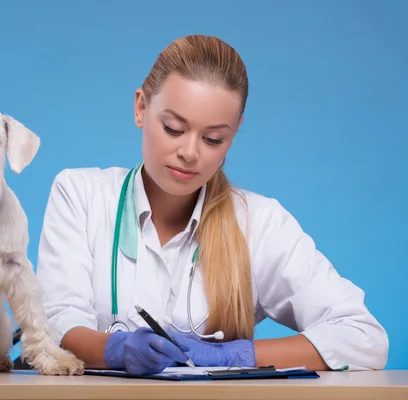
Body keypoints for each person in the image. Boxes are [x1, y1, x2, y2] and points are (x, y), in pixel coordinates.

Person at [34, 34, 388, 376]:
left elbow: (363, 337)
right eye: (173, 128)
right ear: (141, 108)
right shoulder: (80, 195)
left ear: (233, 134)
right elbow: (56, 324)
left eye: (213, 138)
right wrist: (118, 350)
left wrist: (234, 355)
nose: (190, 152)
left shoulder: (260, 223)